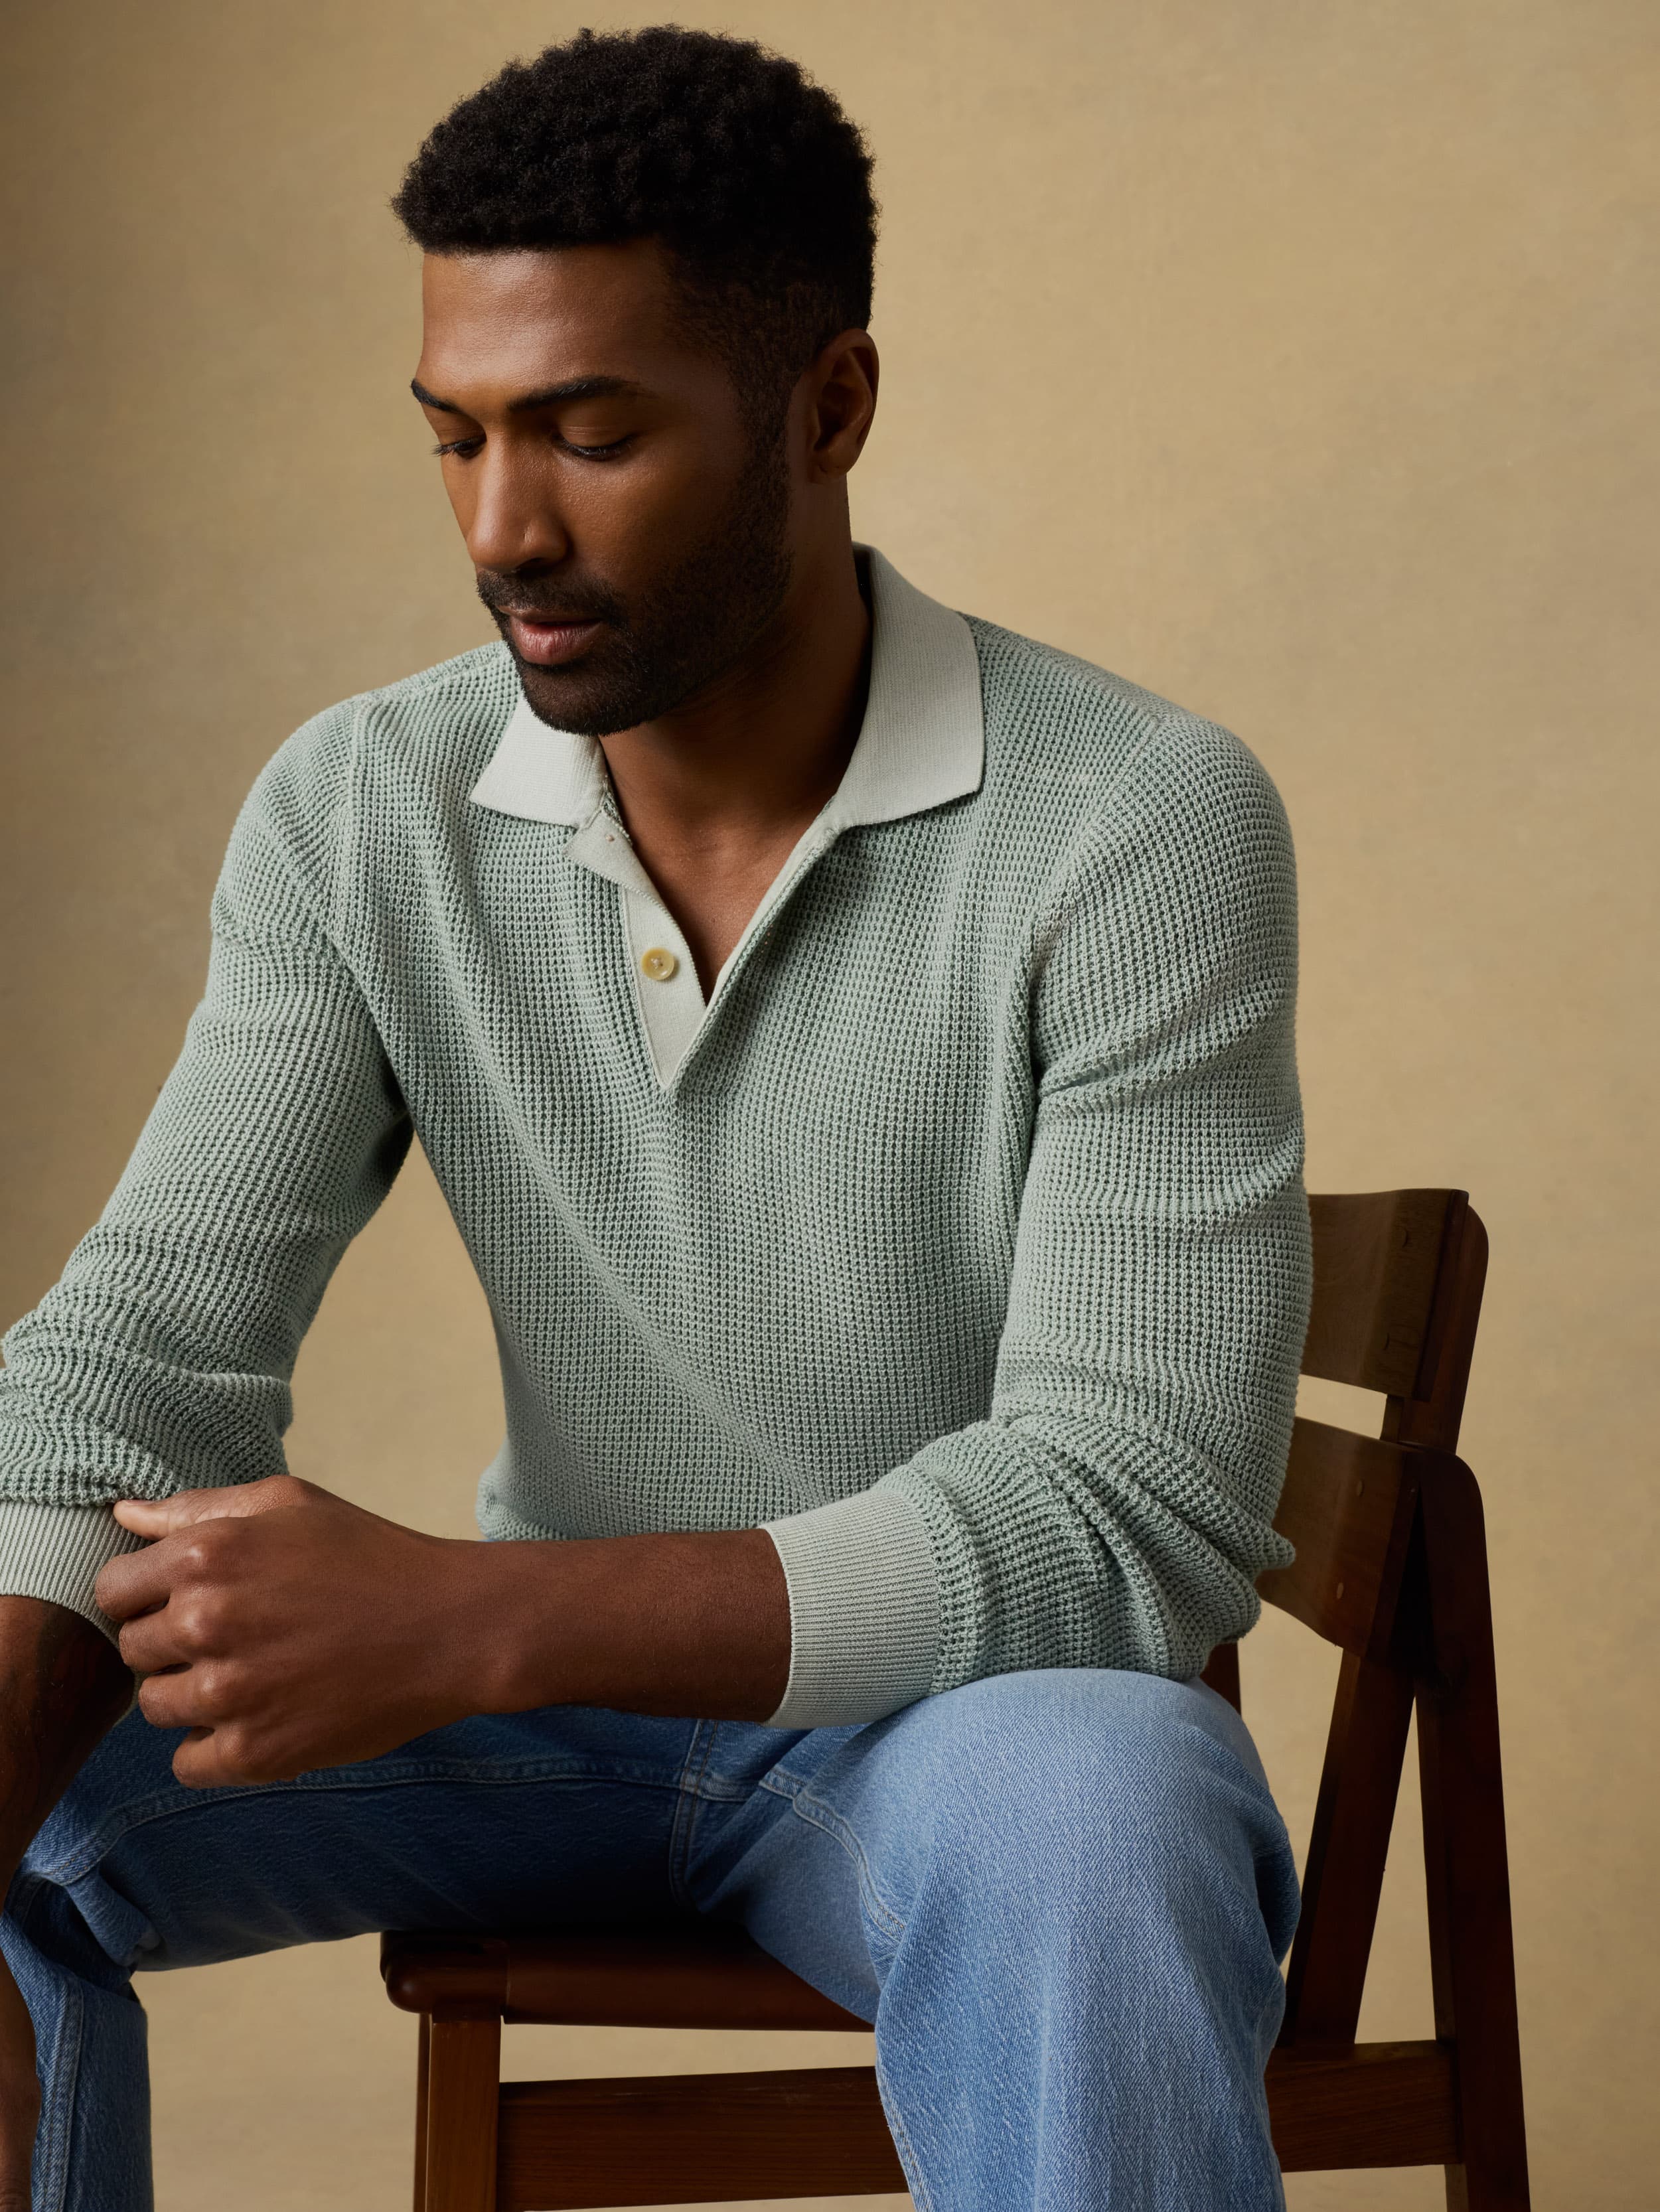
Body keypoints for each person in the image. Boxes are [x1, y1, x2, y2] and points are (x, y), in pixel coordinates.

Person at [0, 26, 1310, 2209]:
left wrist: (475, 1621)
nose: (506, 527)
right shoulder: (364, 811)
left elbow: (1126, 1520)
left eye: (592, 434)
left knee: (1111, 1800)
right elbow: (132, 1353)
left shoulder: (1137, 821)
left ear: (831, 406)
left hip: (960, 1727)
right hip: (527, 1746)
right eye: (457, 438)